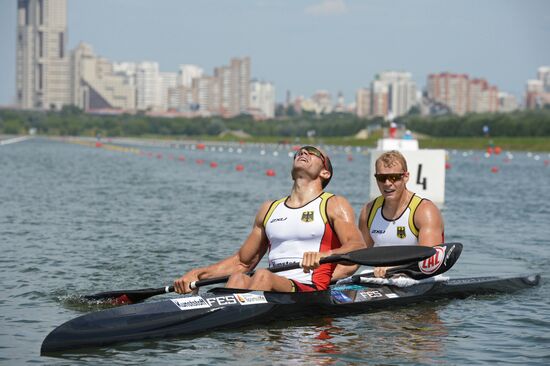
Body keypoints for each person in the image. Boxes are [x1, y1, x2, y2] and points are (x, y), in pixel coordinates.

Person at [174, 145, 366, 294]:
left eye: (312, 151)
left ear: (325, 172)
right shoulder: (269, 209)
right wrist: (198, 274)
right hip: (271, 287)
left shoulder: (334, 204)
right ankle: (233, 339)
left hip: (309, 288)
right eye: (299, 151)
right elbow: (242, 262)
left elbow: (358, 246)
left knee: (263, 276)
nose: (303, 152)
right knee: (238, 278)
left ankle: (236, 324)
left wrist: (325, 256)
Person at [358, 150, 444, 277]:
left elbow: (429, 262)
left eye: (394, 177)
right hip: (383, 278)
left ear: (406, 177)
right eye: (381, 178)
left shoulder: (425, 211)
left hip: (421, 278)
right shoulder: (368, 210)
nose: (387, 183)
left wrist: (393, 268)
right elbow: (357, 256)